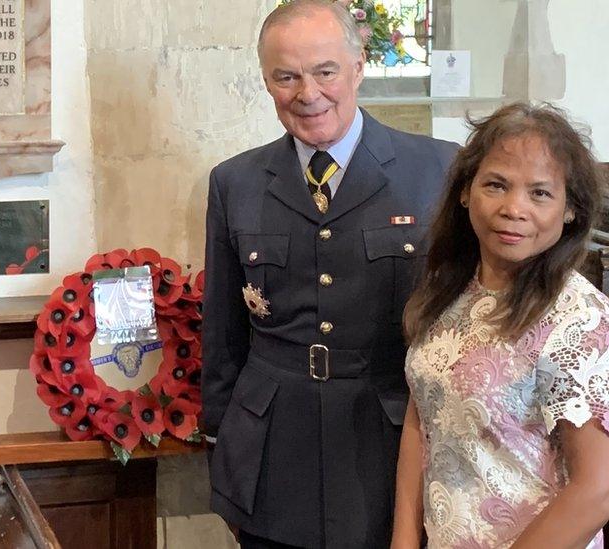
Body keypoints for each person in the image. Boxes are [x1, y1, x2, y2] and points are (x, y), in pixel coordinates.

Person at [201, 1, 459, 547]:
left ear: (359, 66)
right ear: (267, 82)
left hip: (389, 445)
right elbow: (222, 334)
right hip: (271, 452)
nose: (308, 94)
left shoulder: (438, 169)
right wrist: (225, 448)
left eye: (325, 71)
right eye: (286, 76)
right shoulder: (235, 182)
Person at [392, 103, 609, 548]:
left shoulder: (579, 318)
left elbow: (596, 490)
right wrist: (404, 540)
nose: (514, 208)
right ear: (466, 192)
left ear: (570, 210)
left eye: (540, 193)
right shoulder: (448, 289)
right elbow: (425, 415)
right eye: (497, 185)